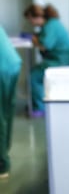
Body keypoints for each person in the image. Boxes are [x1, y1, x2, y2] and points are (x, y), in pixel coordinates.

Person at [24, 4, 69, 117]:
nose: (30, 22)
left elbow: (45, 44)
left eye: (29, 19)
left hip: (60, 61)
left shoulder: (50, 25)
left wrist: (34, 39)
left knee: (33, 75)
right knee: (35, 71)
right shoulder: (49, 24)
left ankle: (39, 109)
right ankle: (36, 103)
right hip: (58, 59)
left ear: (34, 16)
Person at [0, 25, 22, 179]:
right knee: (5, 112)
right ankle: (3, 154)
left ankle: (2, 164)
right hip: (11, 63)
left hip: (2, 67)